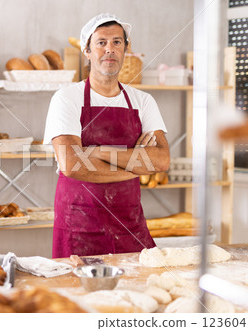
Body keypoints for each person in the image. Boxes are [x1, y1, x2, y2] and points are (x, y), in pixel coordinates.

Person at [43, 13, 170, 258]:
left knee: (136, 292)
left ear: (126, 49)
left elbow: (161, 160)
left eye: (117, 42)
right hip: (79, 226)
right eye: (101, 43)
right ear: (87, 51)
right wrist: (137, 165)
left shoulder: (142, 101)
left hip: (130, 225)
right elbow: (71, 164)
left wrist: (96, 152)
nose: (109, 49)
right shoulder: (67, 98)